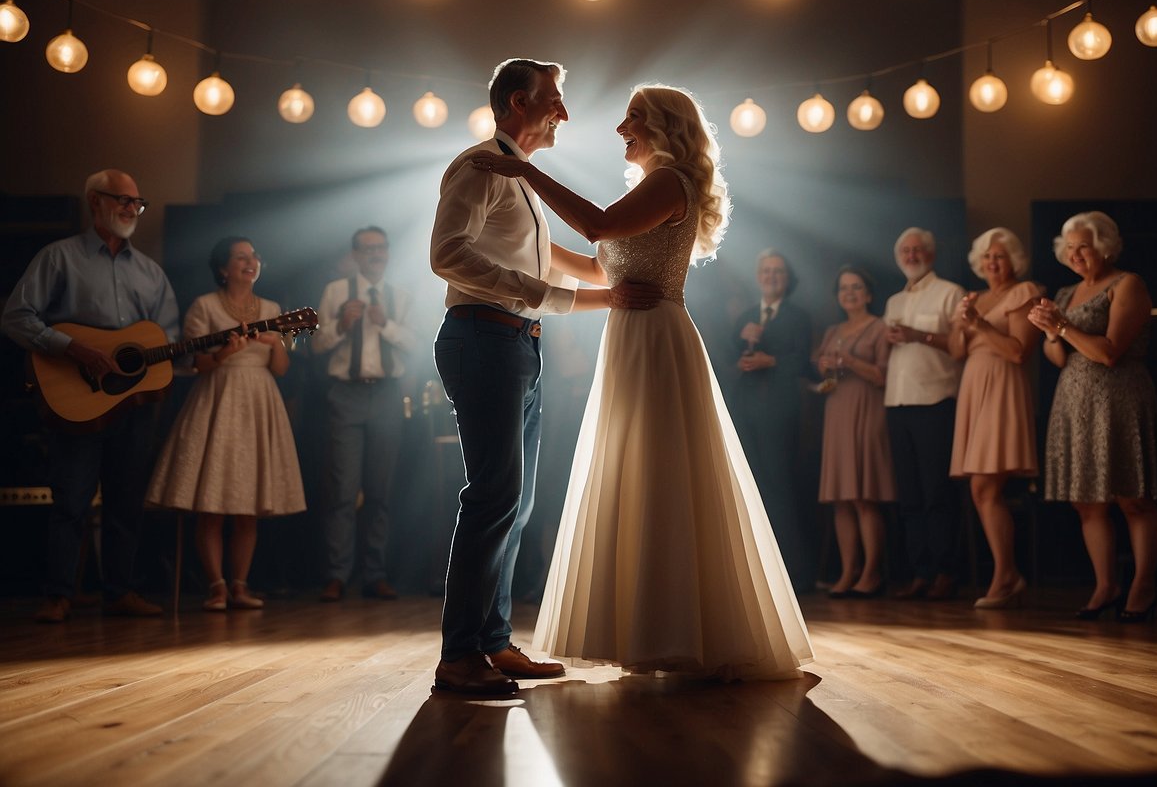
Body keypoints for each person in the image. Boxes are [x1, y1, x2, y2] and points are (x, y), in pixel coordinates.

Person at [472, 83, 813, 681]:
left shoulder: (671, 181)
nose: (619, 128)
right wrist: (517, 237)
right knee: (638, 475)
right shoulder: (649, 187)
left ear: (662, 125)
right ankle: (651, 630)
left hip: (656, 342)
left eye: (631, 118)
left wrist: (522, 173)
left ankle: (682, 630)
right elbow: (592, 263)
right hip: (633, 339)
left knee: (662, 475)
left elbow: (598, 229)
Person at [429, 58, 661, 696]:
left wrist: (612, 280)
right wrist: (583, 302)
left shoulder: (520, 179)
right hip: (483, 335)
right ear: (516, 103)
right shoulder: (480, 166)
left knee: (518, 500)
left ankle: (495, 642)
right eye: (553, 100)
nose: (563, 112)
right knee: (493, 497)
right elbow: (447, 254)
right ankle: (457, 656)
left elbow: (542, 255)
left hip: (517, 342)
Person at [2, 169, 177, 622]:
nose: (131, 209)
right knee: (71, 500)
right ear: (94, 202)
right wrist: (75, 349)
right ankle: (58, 595)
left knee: (126, 501)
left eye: (137, 202)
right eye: (121, 200)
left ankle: (120, 592)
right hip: (75, 397)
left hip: (133, 405)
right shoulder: (58, 257)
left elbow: (167, 341)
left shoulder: (151, 273)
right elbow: (16, 317)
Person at [145, 237, 306, 610]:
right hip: (217, 397)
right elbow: (192, 364)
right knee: (213, 499)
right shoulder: (204, 306)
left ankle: (240, 586)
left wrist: (274, 343)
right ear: (223, 268)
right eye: (241, 257)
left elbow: (280, 370)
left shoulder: (271, 308)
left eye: (254, 256)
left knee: (248, 502)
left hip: (259, 400)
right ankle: (215, 586)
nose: (251, 262)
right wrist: (224, 352)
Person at [1028, 211, 1157, 622]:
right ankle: (1105, 585)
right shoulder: (1068, 291)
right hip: (1075, 402)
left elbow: (1109, 352)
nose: (1075, 254)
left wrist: (1062, 327)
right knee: (1086, 502)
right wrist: (1053, 333)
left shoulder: (1128, 284)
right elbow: (1056, 357)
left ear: (1105, 245)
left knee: (1134, 497)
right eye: (1069, 247)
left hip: (1120, 399)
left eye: (1084, 246)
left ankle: (1143, 586)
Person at [311, 226, 416, 603]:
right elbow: (318, 344)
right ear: (355, 254)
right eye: (368, 249)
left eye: (381, 249)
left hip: (387, 395)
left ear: (387, 254)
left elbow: (415, 342)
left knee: (380, 491)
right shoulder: (335, 292)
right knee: (341, 489)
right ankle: (336, 575)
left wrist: (383, 323)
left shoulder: (400, 295)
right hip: (346, 394)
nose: (375, 255)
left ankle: (375, 574)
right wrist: (341, 325)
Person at [947, 228, 1042, 609]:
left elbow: (1020, 351)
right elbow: (956, 350)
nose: (992, 262)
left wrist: (982, 324)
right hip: (974, 386)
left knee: (986, 488)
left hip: (1003, 386)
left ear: (1014, 260)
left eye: (999, 256)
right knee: (981, 489)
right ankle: (1008, 574)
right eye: (987, 256)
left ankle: (1006, 575)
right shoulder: (978, 297)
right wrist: (962, 321)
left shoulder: (1025, 292)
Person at [883, 227, 965, 601]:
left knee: (936, 493)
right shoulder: (894, 301)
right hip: (897, 403)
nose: (912, 255)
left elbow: (960, 348)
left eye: (918, 249)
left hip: (936, 402)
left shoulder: (950, 293)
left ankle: (947, 571)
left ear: (930, 254)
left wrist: (918, 335)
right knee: (910, 495)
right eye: (906, 250)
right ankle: (920, 572)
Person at [731, 249, 813, 589]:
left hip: (781, 413)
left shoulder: (798, 317)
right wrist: (742, 356)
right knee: (754, 490)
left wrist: (772, 361)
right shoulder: (746, 319)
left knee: (782, 488)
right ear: (758, 276)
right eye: (766, 271)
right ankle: (758, 575)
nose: (771, 276)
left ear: (787, 278)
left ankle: (794, 574)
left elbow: (806, 363)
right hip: (746, 412)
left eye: (778, 271)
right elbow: (729, 363)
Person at [814, 266, 895, 599]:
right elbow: (819, 361)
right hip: (836, 409)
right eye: (844, 288)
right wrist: (825, 365)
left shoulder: (879, 327)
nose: (849, 293)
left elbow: (883, 375)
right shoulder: (833, 329)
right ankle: (848, 571)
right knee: (841, 498)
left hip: (867, 409)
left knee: (864, 496)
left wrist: (849, 361)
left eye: (856, 287)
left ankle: (872, 573)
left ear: (869, 293)